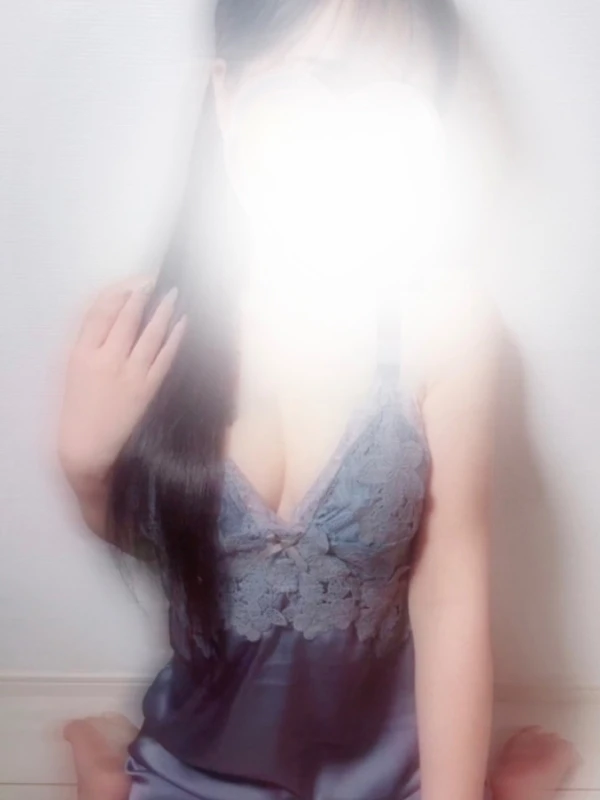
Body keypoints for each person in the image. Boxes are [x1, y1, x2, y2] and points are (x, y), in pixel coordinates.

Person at [57, 1, 578, 798]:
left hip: (382, 760)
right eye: (315, 81)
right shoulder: (147, 332)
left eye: (395, 95)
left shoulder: (445, 325)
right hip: (202, 758)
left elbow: (450, 591)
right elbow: (156, 544)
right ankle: (107, 765)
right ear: (227, 98)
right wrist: (85, 467)